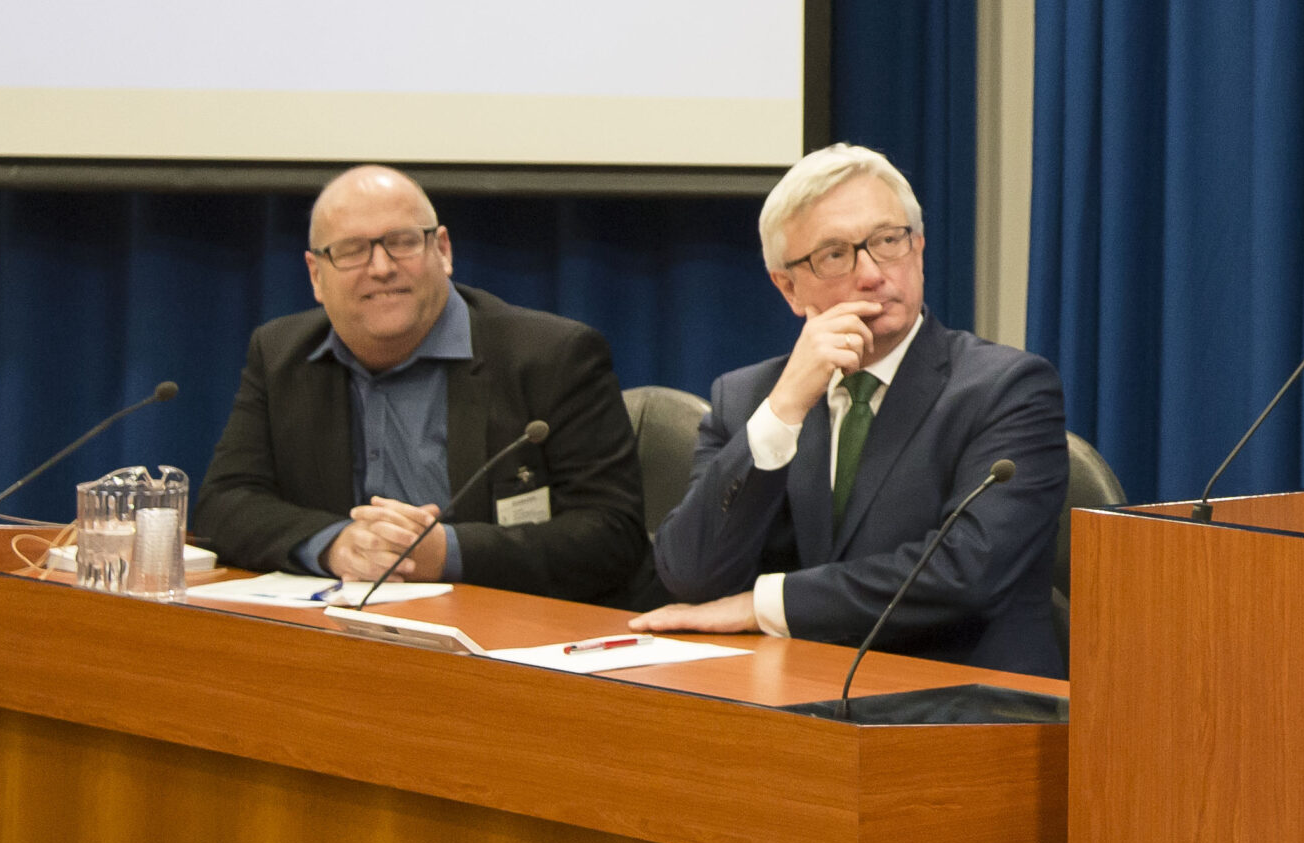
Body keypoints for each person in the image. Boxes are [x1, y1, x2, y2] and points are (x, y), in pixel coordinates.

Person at [634, 144, 1068, 678]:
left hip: (964, 703)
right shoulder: (750, 398)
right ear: (788, 287)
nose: (871, 274)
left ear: (920, 250)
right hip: (800, 702)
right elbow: (691, 575)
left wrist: (765, 605)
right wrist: (784, 409)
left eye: (888, 241)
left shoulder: (1008, 389)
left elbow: (966, 571)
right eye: (835, 254)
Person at [193, 164, 648, 606]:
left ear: (443, 250)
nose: (381, 267)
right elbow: (224, 504)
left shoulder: (552, 355)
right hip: (337, 635)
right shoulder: (280, 354)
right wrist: (337, 544)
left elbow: (611, 533)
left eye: (402, 242)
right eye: (351, 250)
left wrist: (445, 552)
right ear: (316, 274)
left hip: (505, 636)